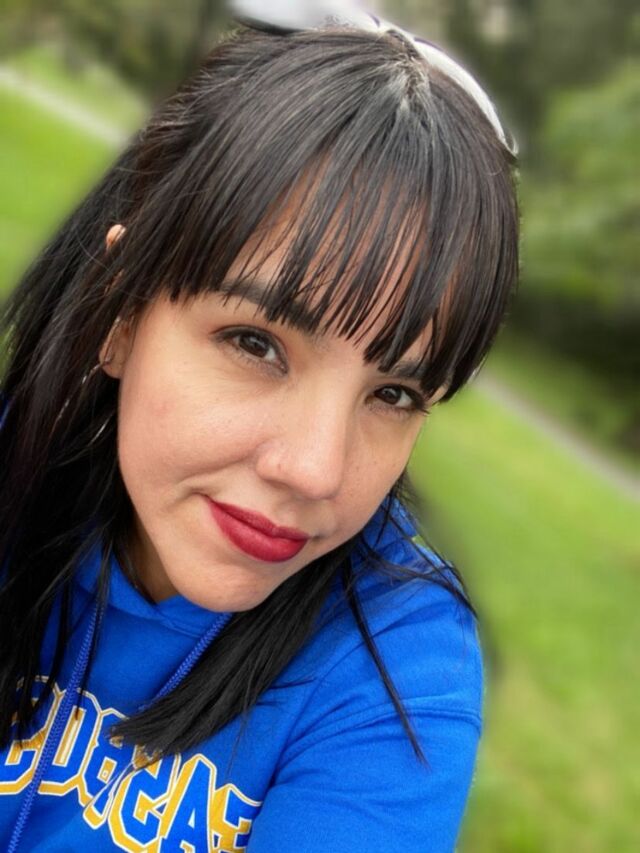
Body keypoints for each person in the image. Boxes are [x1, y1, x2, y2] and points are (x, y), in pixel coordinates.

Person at [0, 4, 519, 850]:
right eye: (256, 344)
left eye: (394, 393)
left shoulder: (396, 669)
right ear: (120, 308)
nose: (315, 469)